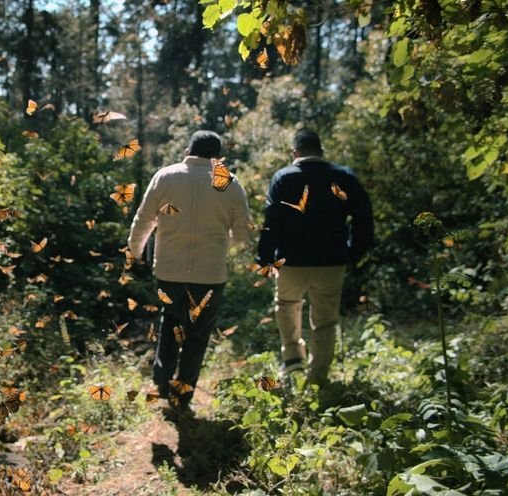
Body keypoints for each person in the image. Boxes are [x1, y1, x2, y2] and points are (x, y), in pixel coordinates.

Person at [128, 130, 252, 412]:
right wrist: (220, 244)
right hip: (210, 275)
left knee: (170, 325)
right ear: (217, 157)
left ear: (188, 150)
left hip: (169, 272)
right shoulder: (230, 184)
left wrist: (135, 252)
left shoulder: (165, 176)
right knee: (197, 336)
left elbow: (143, 219)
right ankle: (182, 397)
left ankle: (162, 382)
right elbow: (244, 236)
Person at [256, 129, 374, 385]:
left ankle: (293, 362)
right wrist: (354, 251)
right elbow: (364, 217)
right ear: (321, 151)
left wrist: (265, 258)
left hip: (290, 261)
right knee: (325, 321)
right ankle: (317, 376)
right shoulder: (343, 176)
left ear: (294, 152)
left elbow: (271, 222)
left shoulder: (282, 178)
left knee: (287, 307)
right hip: (331, 260)